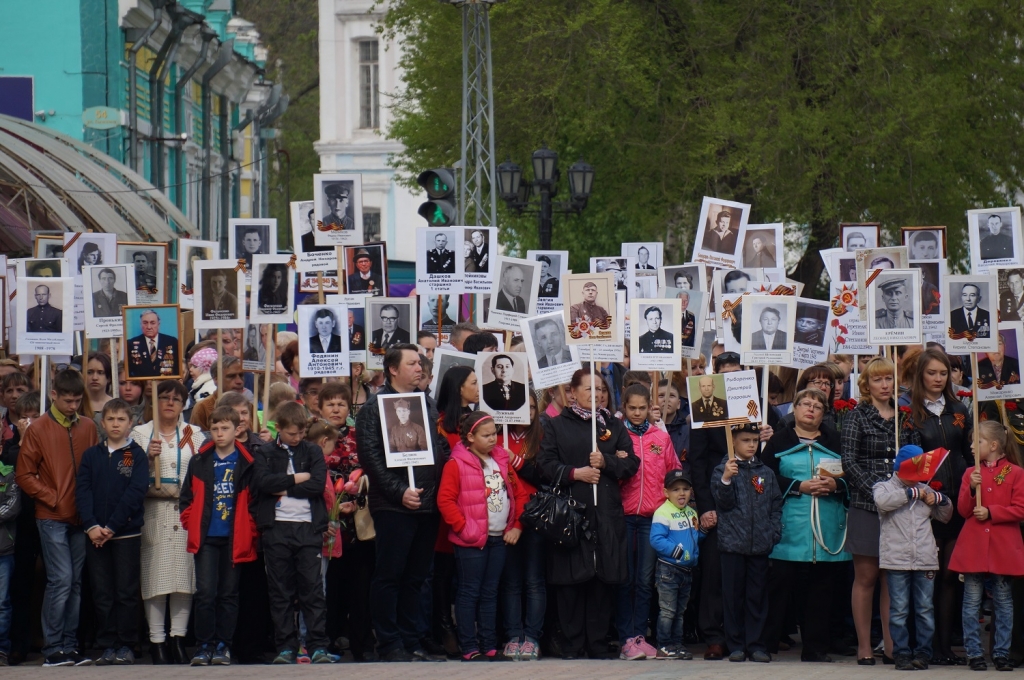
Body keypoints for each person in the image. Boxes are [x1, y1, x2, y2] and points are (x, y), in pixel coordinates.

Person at [536, 369, 639, 659]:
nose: (597, 395)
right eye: (589, 390)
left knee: (601, 581)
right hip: (571, 514)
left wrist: (606, 461)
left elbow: (630, 463)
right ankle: (571, 644)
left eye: (601, 389)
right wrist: (574, 473)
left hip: (605, 514)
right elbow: (544, 464)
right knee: (571, 581)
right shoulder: (557, 426)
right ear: (573, 393)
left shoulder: (613, 427)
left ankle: (596, 642)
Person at [356, 345, 450, 662]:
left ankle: (411, 640)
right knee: (389, 576)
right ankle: (389, 641)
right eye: (411, 363)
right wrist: (399, 492)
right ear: (393, 370)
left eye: (420, 363)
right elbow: (371, 458)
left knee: (416, 577)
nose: (419, 367)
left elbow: (438, 448)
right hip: (395, 506)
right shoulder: (374, 408)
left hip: (427, 503)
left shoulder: (426, 403)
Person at [15, 369, 98, 666]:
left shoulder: (88, 426)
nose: (73, 406)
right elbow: (24, 474)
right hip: (51, 515)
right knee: (61, 579)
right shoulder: (38, 428)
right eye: (68, 400)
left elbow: (93, 468)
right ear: (53, 395)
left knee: (74, 581)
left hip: (80, 516)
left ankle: (68, 644)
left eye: (77, 400)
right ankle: (52, 648)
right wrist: (53, 497)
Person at [760, 389, 850, 662]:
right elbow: (762, 479)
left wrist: (836, 485)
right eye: (805, 404)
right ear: (795, 409)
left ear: (824, 413)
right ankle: (764, 645)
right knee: (778, 589)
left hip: (826, 529)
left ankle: (816, 649)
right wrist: (799, 486)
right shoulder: (777, 441)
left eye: (817, 406)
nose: (811, 409)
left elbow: (851, 477)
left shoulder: (836, 441)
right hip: (788, 528)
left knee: (821, 592)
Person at [841, 357, 920, 664]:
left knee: (892, 577)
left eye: (889, 379)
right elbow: (849, 461)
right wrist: (877, 491)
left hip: (899, 506)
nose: (885, 385)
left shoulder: (904, 418)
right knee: (867, 576)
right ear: (867, 384)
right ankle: (863, 645)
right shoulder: (856, 416)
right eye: (878, 380)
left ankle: (891, 644)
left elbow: (914, 458)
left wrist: (902, 489)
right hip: (867, 504)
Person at [898, 348, 972, 665]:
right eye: (932, 373)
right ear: (920, 376)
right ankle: (922, 647)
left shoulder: (959, 409)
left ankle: (944, 646)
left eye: (943, 373)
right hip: (926, 504)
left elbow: (968, 453)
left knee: (948, 577)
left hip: (958, 501)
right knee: (925, 576)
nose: (938, 379)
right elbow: (906, 461)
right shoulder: (908, 412)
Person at [437, 411, 526, 661]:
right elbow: (445, 500)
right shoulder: (456, 464)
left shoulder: (501, 461)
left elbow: (519, 495)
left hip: (499, 538)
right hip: (471, 541)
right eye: (485, 435)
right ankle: (469, 647)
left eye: (494, 434)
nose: (492, 440)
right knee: (469, 592)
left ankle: (488, 645)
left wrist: (516, 525)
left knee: (490, 592)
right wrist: (465, 529)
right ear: (470, 437)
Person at [250, 402, 335, 664]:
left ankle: (317, 644)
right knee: (280, 590)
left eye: (300, 433)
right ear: (279, 429)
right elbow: (263, 483)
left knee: (312, 589)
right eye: (291, 434)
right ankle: (286, 646)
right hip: (276, 527)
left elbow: (317, 484)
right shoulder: (265, 453)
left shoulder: (312, 451)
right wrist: (297, 479)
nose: (297, 439)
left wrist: (283, 488)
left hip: (308, 527)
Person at [130, 380, 205, 665]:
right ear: (154, 400)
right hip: (154, 511)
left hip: (185, 513)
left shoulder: (190, 434)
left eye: (177, 398)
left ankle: (178, 639)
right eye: (165, 397)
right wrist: (146, 460)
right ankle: (157, 641)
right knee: (156, 578)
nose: (170, 402)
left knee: (185, 579)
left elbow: (202, 467)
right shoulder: (139, 434)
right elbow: (124, 469)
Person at [180, 406, 257, 666]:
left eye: (225, 428)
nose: (219, 433)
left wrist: (251, 528)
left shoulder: (247, 462)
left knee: (228, 593)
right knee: (205, 593)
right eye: (214, 428)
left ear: (237, 430)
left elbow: (256, 501)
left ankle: (224, 644)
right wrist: (191, 523)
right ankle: (204, 645)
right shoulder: (200, 460)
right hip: (206, 537)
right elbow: (186, 499)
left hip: (235, 537)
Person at [75, 398, 149, 665]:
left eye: (121, 419)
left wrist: (112, 526)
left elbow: (135, 493)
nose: (116, 424)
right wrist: (92, 526)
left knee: (126, 592)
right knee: (102, 592)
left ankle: (127, 644)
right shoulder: (92, 455)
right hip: (95, 535)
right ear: (102, 423)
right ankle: (107, 644)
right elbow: (82, 491)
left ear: (131, 423)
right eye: (111, 419)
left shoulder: (135, 455)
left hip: (125, 534)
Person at [949, 420, 1024, 672]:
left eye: (976, 441)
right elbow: (962, 509)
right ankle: (974, 653)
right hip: (974, 546)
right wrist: (971, 489)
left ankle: (1002, 652)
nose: (971, 446)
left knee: (1004, 602)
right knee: (971, 602)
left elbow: (1020, 509)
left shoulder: (1016, 473)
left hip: (1002, 546)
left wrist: (991, 511)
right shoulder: (971, 473)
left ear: (992, 445)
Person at [873, 444, 952, 670]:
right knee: (898, 609)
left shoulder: (925, 488)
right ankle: (902, 653)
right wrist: (909, 493)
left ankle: (923, 653)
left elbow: (946, 516)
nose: (915, 478)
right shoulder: (884, 487)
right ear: (900, 469)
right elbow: (882, 503)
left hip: (925, 558)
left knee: (925, 609)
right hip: (896, 559)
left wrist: (940, 500)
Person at [616, 384, 680, 661]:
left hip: (652, 519)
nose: (638, 413)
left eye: (643, 407)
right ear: (624, 408)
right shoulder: (616, 435)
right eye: (633, 408)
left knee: (644, 580)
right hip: (623, 515)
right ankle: (624, 637)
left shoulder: (660, 437)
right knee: (624, 578)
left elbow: (673, 472)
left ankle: (640, 635)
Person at [711, 423, 782, 663]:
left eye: (754, 440)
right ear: (733, 443)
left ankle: (756, 644)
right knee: (733, 598)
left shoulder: (766, 472)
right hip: (732, 545)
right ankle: (735, 645)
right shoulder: (722, 469)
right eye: (745, 441)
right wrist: (726, 480)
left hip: (760, 544)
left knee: (757, 597)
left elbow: (775, 504)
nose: (751, 445)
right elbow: (724, 503)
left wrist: (773, 533)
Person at [497, 392, 545, 661]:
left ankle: (533, 637)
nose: (527, 411)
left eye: (533, 407)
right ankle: (514, 635)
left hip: (535, 516)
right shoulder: (497, 434)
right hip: (505, 517)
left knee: (534, 581)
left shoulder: (541, 436)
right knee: (511, 581)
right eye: (522, 405)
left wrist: (516, 461)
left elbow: (546, 473)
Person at [650, 469, 703, 660]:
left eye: (685, 489)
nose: (681, 493)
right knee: (668, 610)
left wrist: (704, 530)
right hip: (668, 569)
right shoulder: (663, 512)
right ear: (666, 492)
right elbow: (656, 539)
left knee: (680, 612)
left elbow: (695, 536)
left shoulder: (691, 512)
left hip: (687, 570)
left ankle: (677, 644)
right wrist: (677, 551)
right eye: (675, 489)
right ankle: (663, 645)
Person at [0, 426, 18, 667]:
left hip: (3, 550)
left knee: (2, 603)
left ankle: (2, 649)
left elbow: (12, 505)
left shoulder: (9, 474)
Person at [127, 309, 180, 378]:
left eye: (152, 323)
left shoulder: (171, 341)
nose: (149, 327)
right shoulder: (131, 344)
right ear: (141, 325)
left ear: (158, 324)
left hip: (165, 385)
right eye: (145, 323)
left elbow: (176, 368)